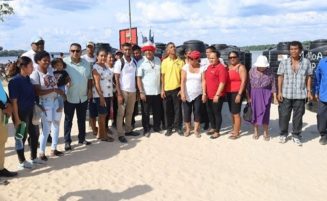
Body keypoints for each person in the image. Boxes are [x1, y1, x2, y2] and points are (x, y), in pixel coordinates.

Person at [8, 56, 42, 169]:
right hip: (21, 113)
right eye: (31, 66)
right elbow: (14, 102)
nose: (33, 68)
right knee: (20, 137)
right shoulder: (14, 81)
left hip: (31, 111)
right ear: (23, 67)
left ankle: (34, 157)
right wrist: (16, 118)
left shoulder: (28, 79)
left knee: (35, 134)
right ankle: (22, 161)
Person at [30, 51, 65, 159]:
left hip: (56, 101)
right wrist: (54, 89)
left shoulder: (50, 70)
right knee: (46, 128)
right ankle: (41, 152)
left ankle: (54, 149)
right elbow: (38, 92)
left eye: (48, 59)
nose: (47, 62)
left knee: (56, 125)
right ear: (37, 61)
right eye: (44, 60)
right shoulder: (35, 74)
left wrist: (59, 92)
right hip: (45, 103)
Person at [277, 41, 313, 146]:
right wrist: (279, 91)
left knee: (298, 116)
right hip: (286, 94)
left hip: (300, 95)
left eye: (296, 49)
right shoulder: (284, 62)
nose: (293, 51)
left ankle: (296, 135)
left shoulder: (306, 62)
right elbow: (280, 76)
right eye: (291, 49)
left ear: (300, 50)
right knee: (284, 115)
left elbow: (309, 77)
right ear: (289, 50)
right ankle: (283, 134)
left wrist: (309, 91)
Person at [63, 43, 93, 151]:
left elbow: (89, 78)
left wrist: (90, 90)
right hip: (69, 97)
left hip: (83, 96)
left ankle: (82, 138)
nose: (75, 53)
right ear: (69, 51)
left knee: (81, 119)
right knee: (68, 120)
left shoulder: (86, 63)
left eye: (77, 51)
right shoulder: (64, 63)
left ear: (81, 52)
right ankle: (67, 142)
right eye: (73, 50)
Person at [114, 43, 140, 143]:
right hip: (123, 91)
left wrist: (137, 91)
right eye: (125, 50)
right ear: (122, 50)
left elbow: (135, 77)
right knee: (121, 113)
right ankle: (120, 134)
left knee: (130, 112)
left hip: (132, 91)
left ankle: (128, 130)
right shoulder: (119, 62)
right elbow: (116, 78)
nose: (127, 51)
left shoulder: (134, 62)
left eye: (129, 49)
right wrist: (119, 94)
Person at [247, 55, 277, 141]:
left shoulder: (270, 71)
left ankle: (266, 132)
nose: (262, 68)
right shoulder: (251, 71)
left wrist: (274, 97)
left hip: (266, 94)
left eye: (264, 66)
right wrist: (248, 97)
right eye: (260, 66)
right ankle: (255, 131)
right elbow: (248, 85)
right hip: (254, 94)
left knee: (266, 114)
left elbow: (274, 85)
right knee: (255, 113)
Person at [137, 42, 162, 137]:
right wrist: (141, 92)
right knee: (145, 112)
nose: (148, 52)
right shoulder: (141, 62)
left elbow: (161, 75)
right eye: (146, 50)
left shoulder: (158, 60)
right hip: (146, 92)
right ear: (144, 51)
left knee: (157, 111)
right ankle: (146, 129)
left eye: (150, 50)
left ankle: (156, 127)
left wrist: (162, 89)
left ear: (153, 51)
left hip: (157, 91)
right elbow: (138, 78)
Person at [161, 42, 184, 136]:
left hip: (177, 90)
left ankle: (178, 127)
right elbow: (162, 77)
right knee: (167, 110)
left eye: (174, 46)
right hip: (167, 90)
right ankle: (169, 128)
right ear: (168, 50)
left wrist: (181, 89)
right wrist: (162, 90)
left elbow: (183, 78)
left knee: (178, 110)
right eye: (171, 47)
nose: (174, 48)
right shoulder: (165, 62)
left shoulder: (181, 62)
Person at [180, 50, 206, 137]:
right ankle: (187, 129)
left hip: (198, 93)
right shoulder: (185, 67)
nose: (191, 60)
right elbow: (182, 81)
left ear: (197, 59)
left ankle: (196, 130)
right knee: (187, 112)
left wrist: (204, 93)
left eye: (193, 59)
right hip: (187, 94)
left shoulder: (202, 68)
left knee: (197, 112)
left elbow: (203, 81)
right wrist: (183, 93)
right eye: (190, 58)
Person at [204, 51, 228, 139]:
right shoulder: (209, 67)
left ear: (218, 58)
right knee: (210, 112)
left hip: (217, 96)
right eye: (210, 58)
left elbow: (222, 82)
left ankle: (217, 131)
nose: (211, 60)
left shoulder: (221, 68)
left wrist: (217, 95)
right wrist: (205, 93)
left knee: (217, 113)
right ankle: (213, 127)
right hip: (208, 95)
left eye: (213, 58)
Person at [92, 49, 114, 142]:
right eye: (101, 56)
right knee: (102, 116)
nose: (103, 58)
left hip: (108, 94)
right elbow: (97, 83)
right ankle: (103, 136)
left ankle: (100, 134)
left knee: (105, 115)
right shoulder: (95, 67)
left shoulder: (105, 66)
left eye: (105, 56)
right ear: (97, 56)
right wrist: (101, 97)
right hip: (100, 96)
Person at [225, 51, 247, 139]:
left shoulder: (241, 67)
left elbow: (244, 81)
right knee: (232, 112)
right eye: (230, 57)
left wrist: (239, 94)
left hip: (237, 92)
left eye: (234, 57)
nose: (232, 59)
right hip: (229, 92)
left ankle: (236, 132)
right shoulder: (229, 67)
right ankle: (234, 128)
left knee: (236, 113)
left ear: (238, 57)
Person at [0, 81, 17, 182]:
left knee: (2, 140)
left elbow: (1, 91)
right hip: (1, 108)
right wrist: (4, 107)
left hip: (3, 111)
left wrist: (9, 104)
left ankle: (1, 169)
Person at [82, 41, 98, 136]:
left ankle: (92, 126)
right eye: (88, 47)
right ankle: (92, 127)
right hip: (86, 84)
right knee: (87, 107)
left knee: (92, 107)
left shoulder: (96, 58)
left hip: (95, 84)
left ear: (94, 48)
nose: (90, 49)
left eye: (91, 47)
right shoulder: (83, 58)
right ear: (86, 48)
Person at [315, 56, 327, 145]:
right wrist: (316, 91)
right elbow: (317, 78)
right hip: (324, 94)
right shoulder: (322, 62)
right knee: (321, 115)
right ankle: (323, 135)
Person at [131, 44, 142, 128]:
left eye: (137, 53)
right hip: (133, 86)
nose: (136, 55)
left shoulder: (144, 60)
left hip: (143, 86)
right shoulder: (131, 61)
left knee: (144, 105)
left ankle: (146, 122)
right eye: (134, 53)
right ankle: (132, 122)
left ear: (140, 52)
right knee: (132, 106)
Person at [105, 53, 117, 131]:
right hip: (106, 93)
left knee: (115, 108)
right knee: (106, 111)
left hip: (115, 92)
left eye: (112, 57)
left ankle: (115, 123)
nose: (111, 59)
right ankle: (105, 127)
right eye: (110, 57)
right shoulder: (104, 68)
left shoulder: (116, 67)